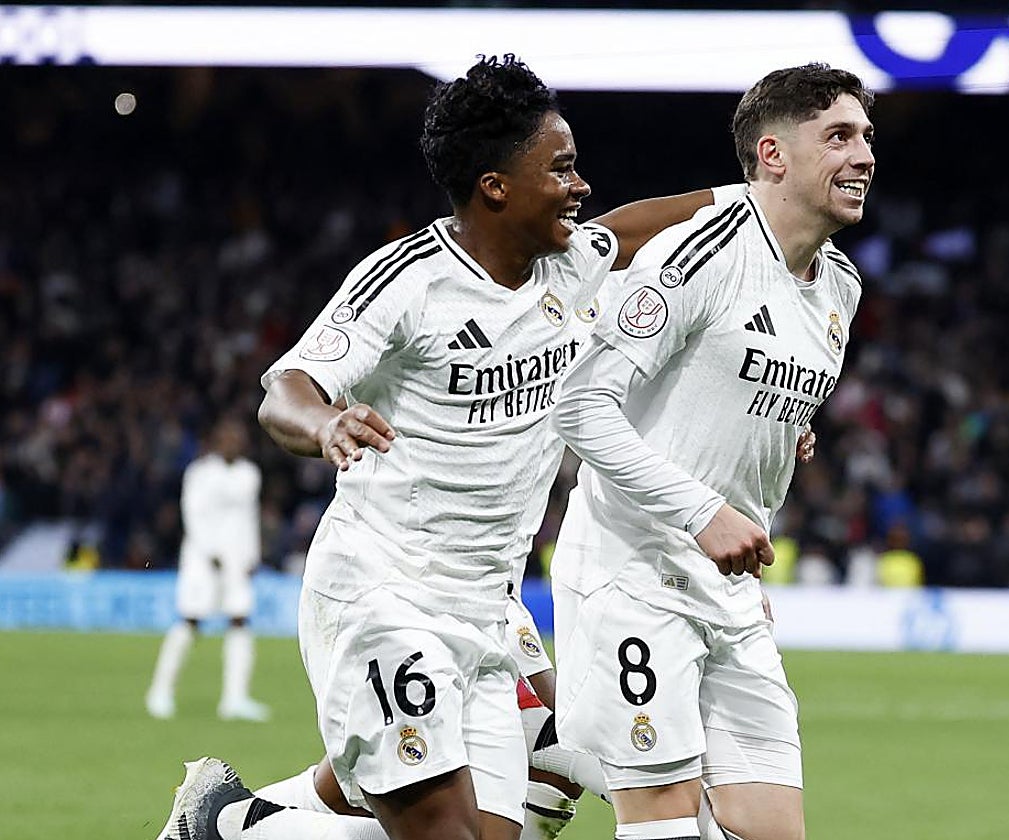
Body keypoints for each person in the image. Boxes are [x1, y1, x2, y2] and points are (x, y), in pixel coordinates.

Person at [154, 54, 745, 840]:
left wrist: (758, 204)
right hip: (383, 595)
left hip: (486, 609)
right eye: (561, 169)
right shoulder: (409, 282)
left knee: (507, 830)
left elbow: (633, 227)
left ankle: (233, 827)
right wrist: (326, 422)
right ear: (496, 187)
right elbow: (285, 389)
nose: (581, 185)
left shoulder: (569, 266)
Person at [549, 63, 875, 840]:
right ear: (772, 155)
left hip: (728, 592)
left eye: (867, 137)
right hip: (634, 573)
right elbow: (580, 405)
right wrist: (705, 515)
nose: (864, 156)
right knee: (661, 825)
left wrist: (781, 432)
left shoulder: (841, 287)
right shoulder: (698, 255)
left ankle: (553, 750)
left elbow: (742, 397)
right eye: (839, 136)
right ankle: (558, 749)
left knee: (769, 830)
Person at [146, 416, 269, 722]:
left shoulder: (248, 473)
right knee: (191, 619)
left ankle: (235, 698)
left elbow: (249, 517)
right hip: (201, 560)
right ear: (217, 441)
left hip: (237, 560)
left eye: (239, 438)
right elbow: (192, 514)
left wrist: (251, 554)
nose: (234, 443)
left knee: (240, 620)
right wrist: (209, 551)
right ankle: (160, 692)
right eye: (228, 437)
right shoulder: (200, 472)